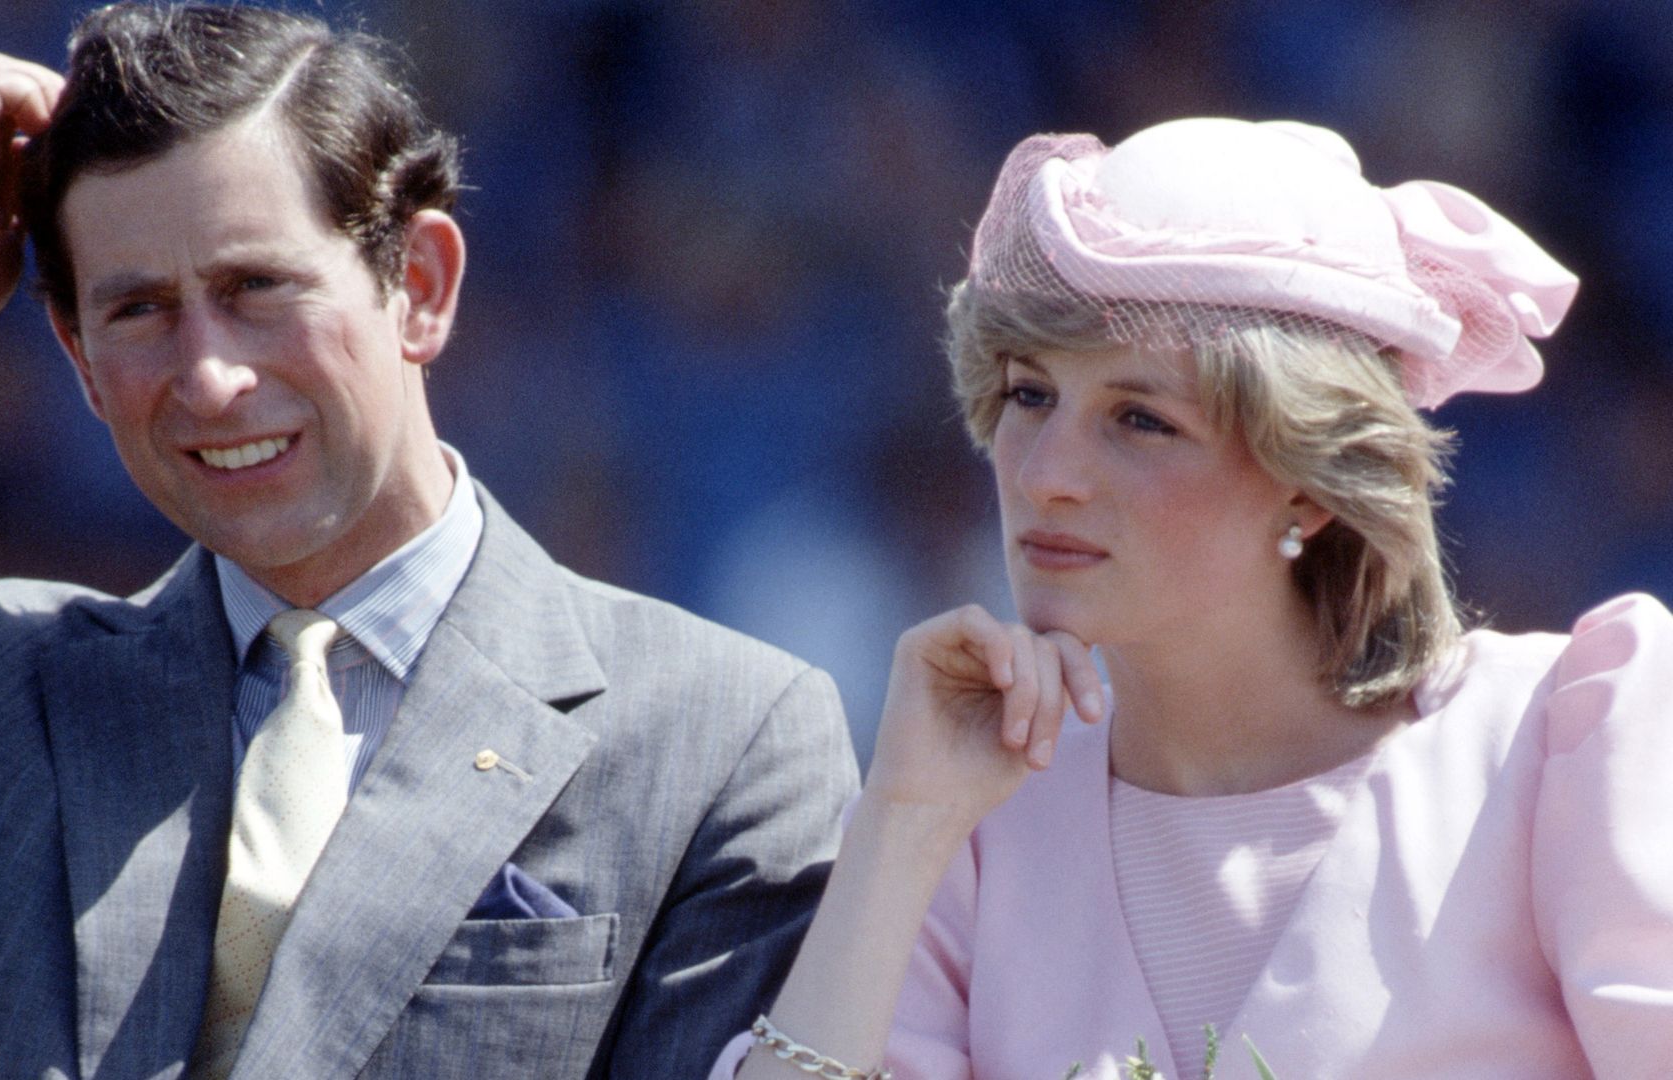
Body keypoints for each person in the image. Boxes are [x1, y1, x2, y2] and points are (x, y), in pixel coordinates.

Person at [0, 4, 860, 1077]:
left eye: (257, 288)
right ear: (79, 358)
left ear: (418, 286)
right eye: (137, 311)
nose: (210, 377)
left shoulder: (721, 740)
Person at [713, 117, 1673, 1079]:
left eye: (1141, 419)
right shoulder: (966, 824)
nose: (1047, 475)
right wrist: (901, 822)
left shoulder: (1564, 742)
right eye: (1028, 396)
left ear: (1309, 477)